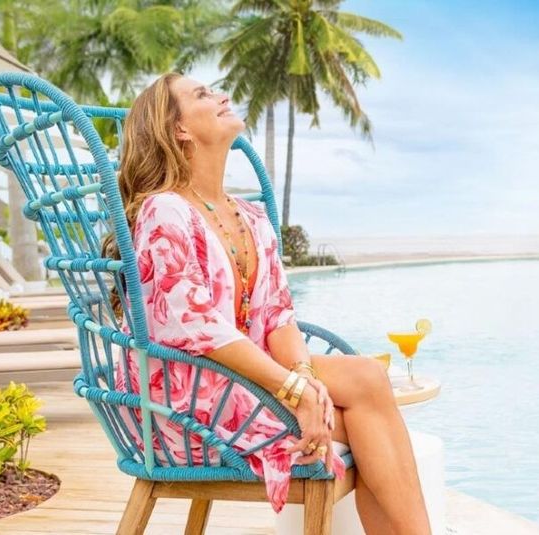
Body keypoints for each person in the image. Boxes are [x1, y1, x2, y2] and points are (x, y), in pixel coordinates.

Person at [111, 73, 431, 534]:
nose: (222, 95)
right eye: (202, 94)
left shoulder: (251, 217)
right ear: (179, 129)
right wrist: (295, 391)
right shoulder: (166, 211)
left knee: (368, 377)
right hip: (190, 404)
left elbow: (278, 315)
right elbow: (198, 328)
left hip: (245, 381)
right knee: (367, 423)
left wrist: (303, 379)